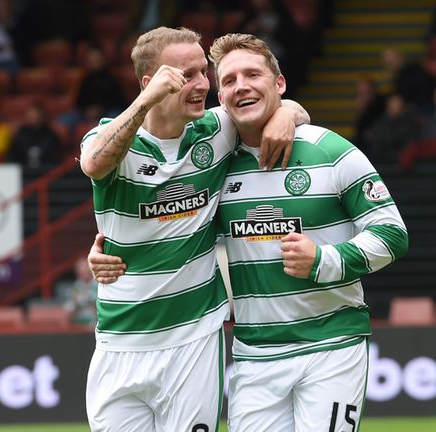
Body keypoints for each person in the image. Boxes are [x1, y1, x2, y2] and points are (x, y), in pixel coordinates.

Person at [90, 33, 409, 431]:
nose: (240, 85)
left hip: (330, 344)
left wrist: (326, 260)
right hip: (254, 354)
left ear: (279, 83)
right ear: (221, 99)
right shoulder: (220, 162)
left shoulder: (332, 152)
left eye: (252, 74)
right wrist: (113, 247)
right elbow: (163, 217)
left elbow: (393, 234)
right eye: (228, 80)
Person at [78, 26, 308, 432]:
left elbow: (276, 103)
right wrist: (147, 100)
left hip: (194, 339)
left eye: (204, 71)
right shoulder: (109, 138)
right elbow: (94, 163)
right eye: (187, 75)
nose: (204, 83)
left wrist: (287, 113)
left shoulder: (216, 130)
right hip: (120, 341)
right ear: (151, 83)